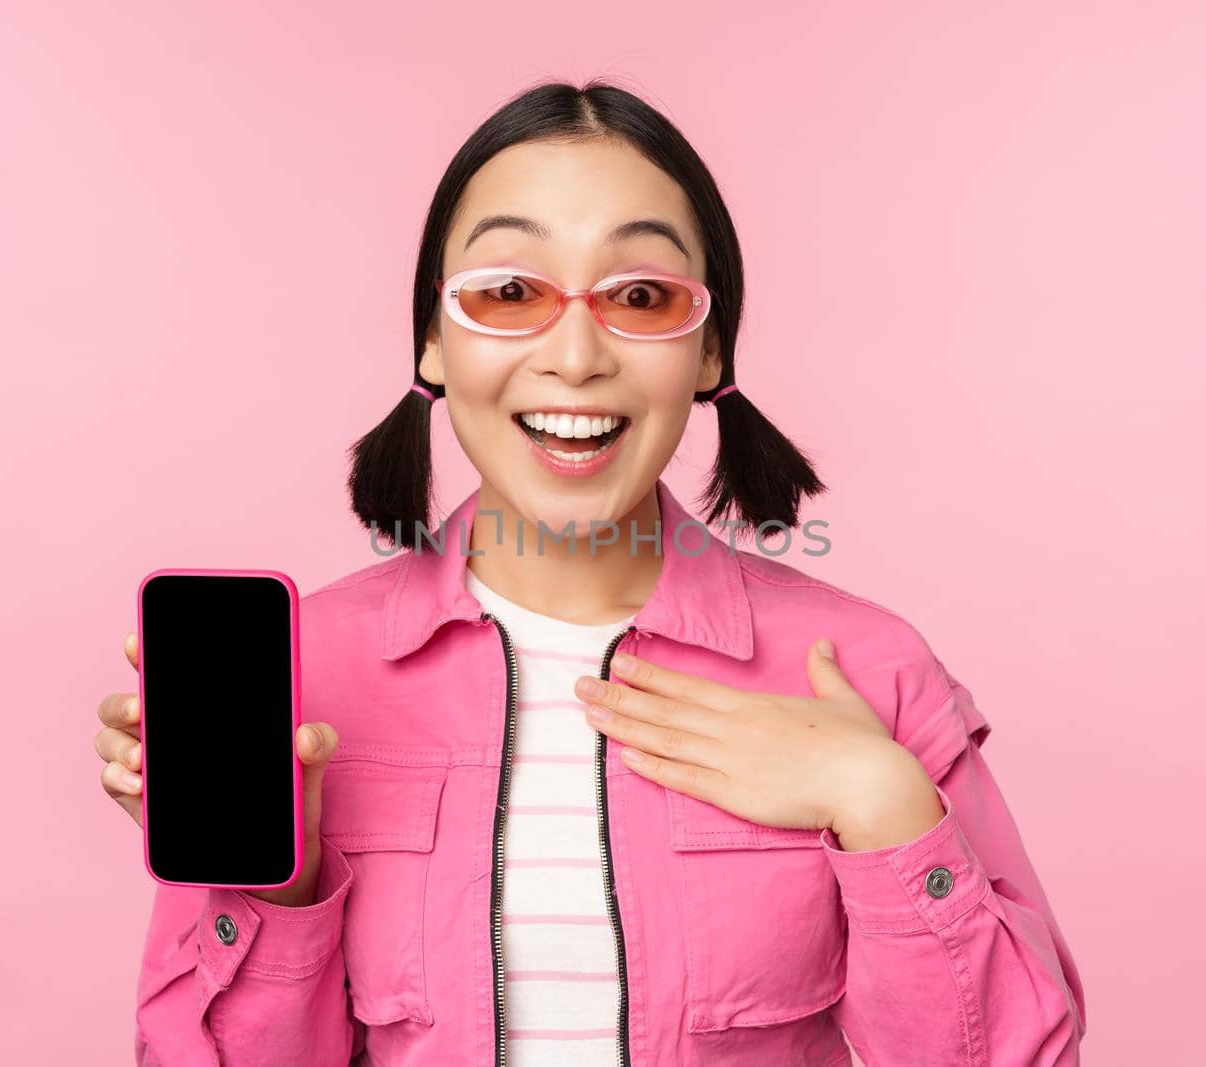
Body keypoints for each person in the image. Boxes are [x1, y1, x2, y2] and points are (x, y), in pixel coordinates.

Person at [98, 79, 1087, 1066]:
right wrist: (275, 887)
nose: (574, 356)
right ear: (433, 341)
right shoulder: (297, 677)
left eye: (641, 296)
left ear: (708, 351)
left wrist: (880, 801)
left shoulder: (867, 667)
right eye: (509, 292)